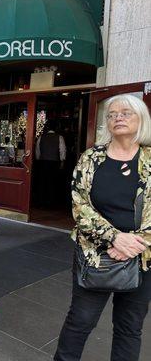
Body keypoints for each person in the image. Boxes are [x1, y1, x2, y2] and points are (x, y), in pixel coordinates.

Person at [54, 94, 151, 361]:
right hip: (94, 255)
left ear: (141, 118)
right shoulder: (91, 158)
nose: (117, 117)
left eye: (125, 112)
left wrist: (135, 244)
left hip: (141, 258)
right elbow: (79, 205)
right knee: (80, 321)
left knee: (129, 328)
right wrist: (114, 238)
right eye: (111, 114)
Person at [35, 121, 66, 206]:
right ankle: (51, 203)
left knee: (42, 182)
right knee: (53, 182)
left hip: (43, 162)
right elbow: (62, 151)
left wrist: (38, 159)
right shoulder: (59, 137)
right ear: (56, 128)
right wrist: (62, 162)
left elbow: (37, 151)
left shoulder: (41, 137)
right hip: (54, 162)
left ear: (47, 128)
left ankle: (41, 202)